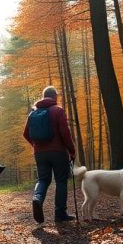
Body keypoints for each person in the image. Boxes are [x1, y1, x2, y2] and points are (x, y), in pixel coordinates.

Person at [23, 85, 76, 224]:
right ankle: (60, 214)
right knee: (61, 181)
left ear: (43, 96)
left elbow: (25, 134)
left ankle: (37, 199)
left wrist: (35, 145)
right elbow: (65, 133)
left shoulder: (33, 112)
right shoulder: (58, 110)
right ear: (55, 97)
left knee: (43, 180)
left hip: (40, 153)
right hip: (58, 152)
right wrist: (72, 150)